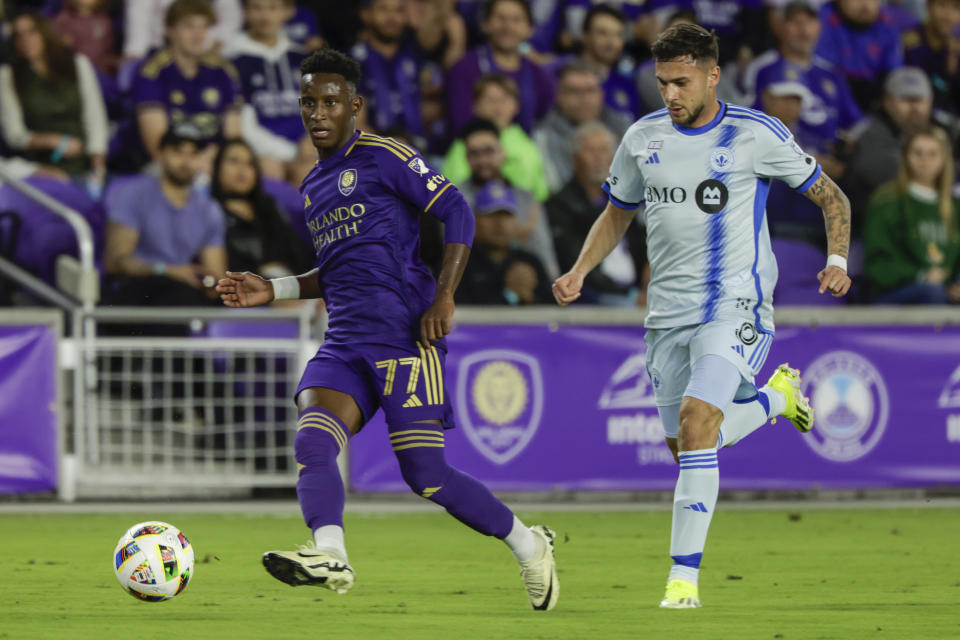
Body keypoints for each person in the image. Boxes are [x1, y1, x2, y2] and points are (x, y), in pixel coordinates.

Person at [215, 48, 559, 609]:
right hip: (345, 341)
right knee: (312, 436)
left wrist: (444, 295)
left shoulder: (385, 155)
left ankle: (528, 545)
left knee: (426, 476)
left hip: (403, 335)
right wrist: (272, 289)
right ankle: (331, 553)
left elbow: (459, 212)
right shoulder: (311, 186)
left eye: (330, 101)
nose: (317, 112)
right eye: (308, 102)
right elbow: (338, 269)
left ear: (355, 106)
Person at [552, 23, 852, 609]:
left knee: (697, 424)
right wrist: (580, 270)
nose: (670, 95)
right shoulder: (641, 137)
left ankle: (682, 579)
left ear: (713, 76)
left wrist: (837, 259)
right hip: (666, 312)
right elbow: (617, 213)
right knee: (687, 446)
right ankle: (774, 400)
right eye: (662, 82)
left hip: (735, 304)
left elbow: (832, 196)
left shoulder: (755, 133)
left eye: (682, 82)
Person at [104, 125, 227, 306]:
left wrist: (207, 280)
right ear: (161, 154)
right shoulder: (133, 195)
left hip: (182, 291)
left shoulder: (209, 209)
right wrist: (166, 270)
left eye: (193, 154)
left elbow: (216, 273)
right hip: (139, 286)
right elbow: (116, 262)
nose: (186, 161)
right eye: (178, 152)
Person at [742, 0, 862, 177]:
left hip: (830, 171)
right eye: (795, 22)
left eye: (809, 22)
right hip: (777, 169)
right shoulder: (762, 69)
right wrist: (804, 159)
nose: (803, 30)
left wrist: (845, 152)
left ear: (819, 27)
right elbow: (746, 123)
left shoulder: (832, 75)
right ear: (780, 27)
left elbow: (854, 125)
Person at [0, 12, 108, 187]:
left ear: (44, 32)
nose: (25, 39)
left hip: (83, 163)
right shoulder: (8, 76)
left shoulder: (77, 64)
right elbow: (14, 134)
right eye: (18, 35)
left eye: (31, 32)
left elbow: (95, 116)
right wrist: (52, 141)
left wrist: (98, 164)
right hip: (40, 165)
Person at [547, 122, 646, 306]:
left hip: (634, 290)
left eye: (604, 151)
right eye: (590, 151)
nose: (599, 158)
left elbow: (643, 242)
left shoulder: (625, 198)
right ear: (575, 158)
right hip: (592, 294)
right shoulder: (560, 206)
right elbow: (573, 262)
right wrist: (632, 295)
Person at [132, 0, 243, 164]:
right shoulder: (151, 73)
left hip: (215, 163)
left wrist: (211, 161)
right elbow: (156, 146)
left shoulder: (224, 71)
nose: (198, 35)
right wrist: (192, 164)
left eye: (204, 27)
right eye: (189, 26)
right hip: (167, 166)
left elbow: (233, 138)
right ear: (170, 30)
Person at [865, 125, 960, 303]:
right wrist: (921, 276)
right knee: (933, 292)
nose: (925, 160)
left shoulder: (955, 205)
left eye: (933, 154)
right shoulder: (887, 201)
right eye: (918, 153)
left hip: (944, 292)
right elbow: (877, 263)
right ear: (905, 157)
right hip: (895, 293)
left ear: (944, 159)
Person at [456, 118, 559, 277]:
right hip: (474, 282)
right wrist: (512, 236)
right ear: (466, 158)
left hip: (529, 279)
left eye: (489, 151)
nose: (483, 161)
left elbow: (546, 255)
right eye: (474, 153)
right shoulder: (454, 200)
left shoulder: (527, 198)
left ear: (503, 152)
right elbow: (451, 253)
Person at [224, 0, 307, 179]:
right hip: (264, 154)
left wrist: (311, 144)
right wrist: (289, 154)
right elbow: (243, 125)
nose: (265, 16)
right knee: (270, 170)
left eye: (272, 8)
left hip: (306, 151)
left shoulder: (301, 58)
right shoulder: (233, 61)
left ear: (287, 11)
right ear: (245, 12)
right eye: (257, 8)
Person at [445, 0, 555, 134]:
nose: (508, 27)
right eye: (500, 18)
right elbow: (461, 124)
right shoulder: (463, 69)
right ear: (485, 24)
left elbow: (543, 125)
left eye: (517, 20)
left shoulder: (539, 77)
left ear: (530, 29)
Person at [845, 66, 935, 226]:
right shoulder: (868, 131)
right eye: (906, 99)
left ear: (930, 102)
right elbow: (885, 172)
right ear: (887, 101)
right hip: (868, 228)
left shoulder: (942, 131)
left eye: (919, 99)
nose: (914, 108)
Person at [210, 138, 312, 275]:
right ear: (217, 168)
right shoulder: (210, 212)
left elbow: (297, 253)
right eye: (234, 161)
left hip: (292, 287)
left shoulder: (269, 207)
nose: (242, 169)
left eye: (250, 164)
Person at [442, 74, 549, 202]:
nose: (498, 106)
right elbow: (454, 190)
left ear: (517, 105)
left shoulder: (528, 145)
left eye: (504, 99)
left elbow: (539, 193)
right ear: (475, 106)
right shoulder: (464, 144)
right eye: (490, 100)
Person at [533, 60, 631, 193]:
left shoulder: (622, 125)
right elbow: (557, 187)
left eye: (590, 90)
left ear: (601, 94)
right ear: (559, 96)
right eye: (574, 92)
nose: (584, 98)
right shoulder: (544, 135)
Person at [456, 181, 552, 305]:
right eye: (490, 215)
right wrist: (511, 295)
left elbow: (553, 312)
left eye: (506, 215)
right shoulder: (458, 263)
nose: (500, 223)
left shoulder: (530, 261)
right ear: (474, 221)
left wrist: (529, 297)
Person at [814, 0, 904, 110]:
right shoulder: (821, 20)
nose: (865, 5)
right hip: (832, 99)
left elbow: (894, 73)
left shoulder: (886, 22)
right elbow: (823, 72)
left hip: (876, 101)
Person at [579, 5, 639, 121]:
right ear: (585, 35)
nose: (612, 42)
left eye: (618, 35)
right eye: (602, 33)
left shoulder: (628, 85)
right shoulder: (563, 77)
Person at [901, 0, 960, 117]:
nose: (948, 16)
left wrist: (951, 70)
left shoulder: (955, 47)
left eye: (956, 8)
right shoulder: (911, 42)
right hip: (913, 113)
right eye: (942, 6)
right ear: (928, 7)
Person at [52, 0, 116, 74]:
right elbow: (58, 49)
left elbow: (109, 51)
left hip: (102, 72)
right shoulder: (64, 20)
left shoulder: (104, 20)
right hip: (76, 71)